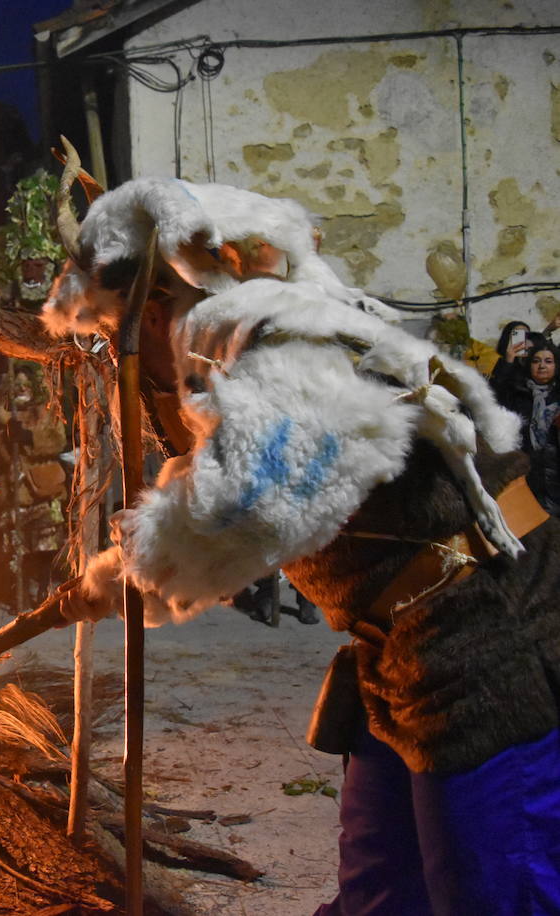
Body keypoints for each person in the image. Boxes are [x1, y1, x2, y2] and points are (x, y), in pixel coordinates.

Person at [46, 175, 560, 913]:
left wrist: (116, 577)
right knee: (382, 894)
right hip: (402, 649)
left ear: (155, 312)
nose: (114, 360)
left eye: (111, 336)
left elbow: (236, 511)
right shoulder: (226, 353)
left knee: (494, 892)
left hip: (487, 642)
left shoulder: (284, 347)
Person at [492, 342, 560, 514]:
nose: (542, 366)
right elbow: (493, 395)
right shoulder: (518, 393)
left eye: (548, 361)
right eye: (536, 361)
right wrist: (507, 362)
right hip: (528, 472)